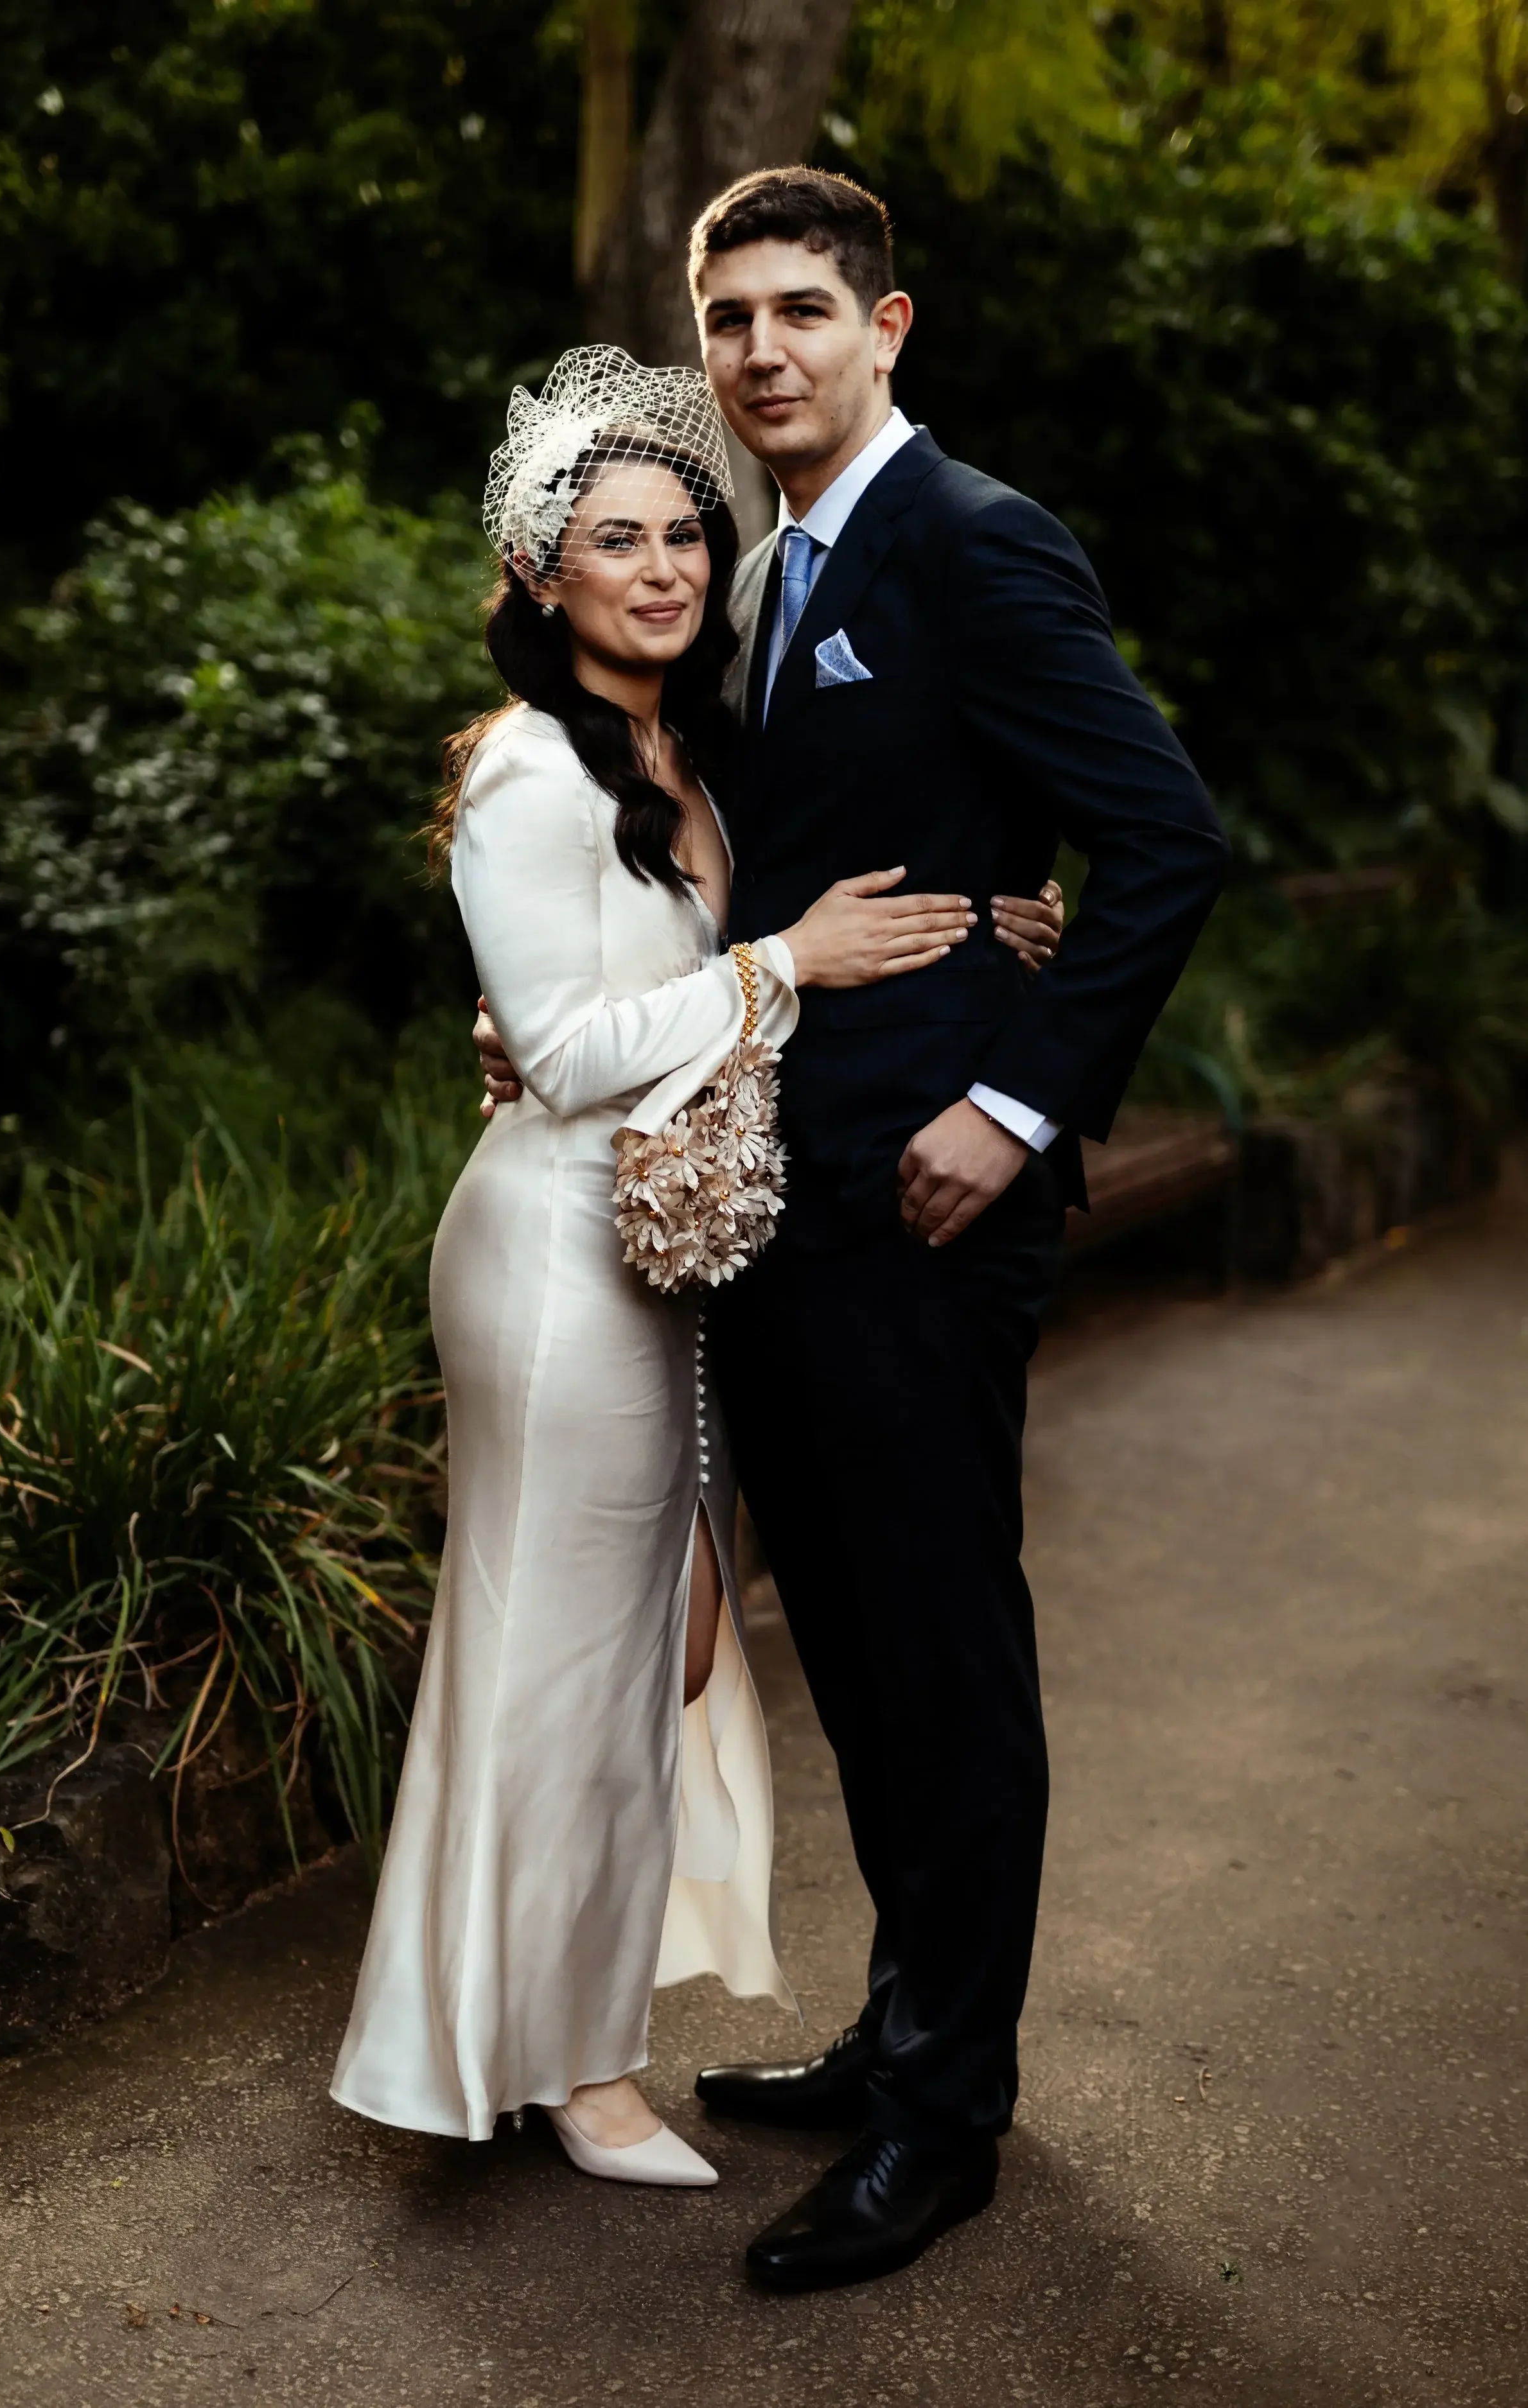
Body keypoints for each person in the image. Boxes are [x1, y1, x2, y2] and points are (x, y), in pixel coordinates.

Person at [477, 168, 1229, 2287]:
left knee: (941, 1654)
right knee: (871, 1676)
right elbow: (763, 851)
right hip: (786, 1202)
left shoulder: (975, 542)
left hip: (925, 1197)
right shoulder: (753, 576)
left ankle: (946, 2120)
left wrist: (1016, 1093)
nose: (761, 352)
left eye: (803, 310)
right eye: (728, 320)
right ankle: (904, 2025)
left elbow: (1165, 835)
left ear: (887, 329)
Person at [329, 351, 1006, 2188]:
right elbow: (559, 1050)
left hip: (658, 1249)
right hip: (554, 1257)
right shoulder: (526, 769)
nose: (660, 564)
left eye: (681, 534)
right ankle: (569, 2066)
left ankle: (519, 2023)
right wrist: (783, 962)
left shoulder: (672, 755)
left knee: (649, 1649)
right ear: (543, 574)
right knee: (562, 1658)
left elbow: (661, 998)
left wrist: (982, 919)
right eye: (613, 539)